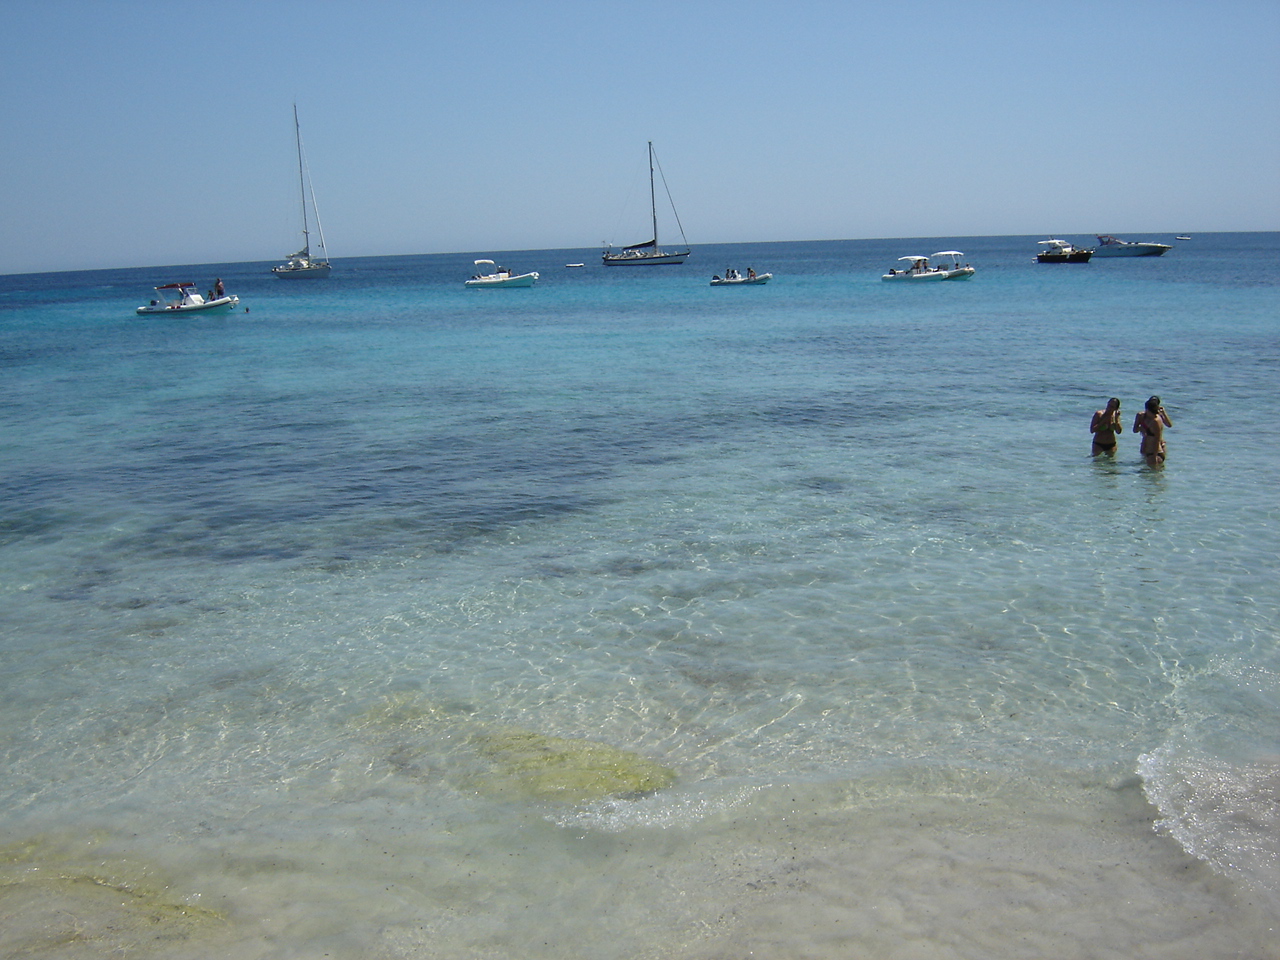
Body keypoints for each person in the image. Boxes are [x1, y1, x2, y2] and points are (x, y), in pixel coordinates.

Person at [1132, 395, 1173, 465]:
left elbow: (1169, 425)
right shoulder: (1141, 416)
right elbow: (1135, 430)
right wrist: (1141, 428)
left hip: (1159, 445)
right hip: (1146, 446)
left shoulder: (1157, 417)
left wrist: (1164, 413)